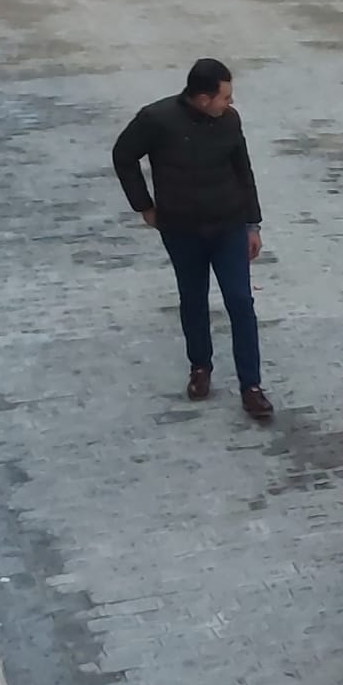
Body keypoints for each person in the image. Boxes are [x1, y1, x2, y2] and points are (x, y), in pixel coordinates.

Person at [111, 57, 274, 419]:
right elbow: (123, 156)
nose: (231, 103)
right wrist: (144, 206)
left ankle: (251, 386)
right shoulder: (156, 120)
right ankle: (200, 367)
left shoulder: (229, 121)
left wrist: (253, 224)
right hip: (182, 230)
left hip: (228, 227)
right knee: (193, 299)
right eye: (225, 97)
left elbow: (243, 170)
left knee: (240, 302)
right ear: (203, 98)